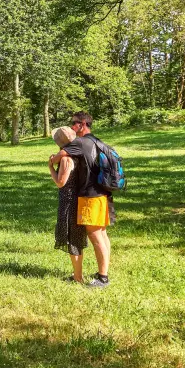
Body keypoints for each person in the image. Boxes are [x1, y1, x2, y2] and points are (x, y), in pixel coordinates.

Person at [49, 111, 116, 289]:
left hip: (90, 196)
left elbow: (58, 156)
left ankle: (103, 278)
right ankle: (104, 272)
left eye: (74, 123)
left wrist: (51, 162)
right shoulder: (97, 141)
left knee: (95, 236)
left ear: (82, 124)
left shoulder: (79, 142)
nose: (72, 126)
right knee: (102, 234)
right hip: (103, 193)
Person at [48, 126, 88, 282]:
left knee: (73, 240)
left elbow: (60, 182)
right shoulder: (78, 155)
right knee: (76, 239)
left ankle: (78, 277)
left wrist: (50, 167)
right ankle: (77, 274)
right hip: (77, 199)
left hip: (69, 201)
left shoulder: (65, 159)